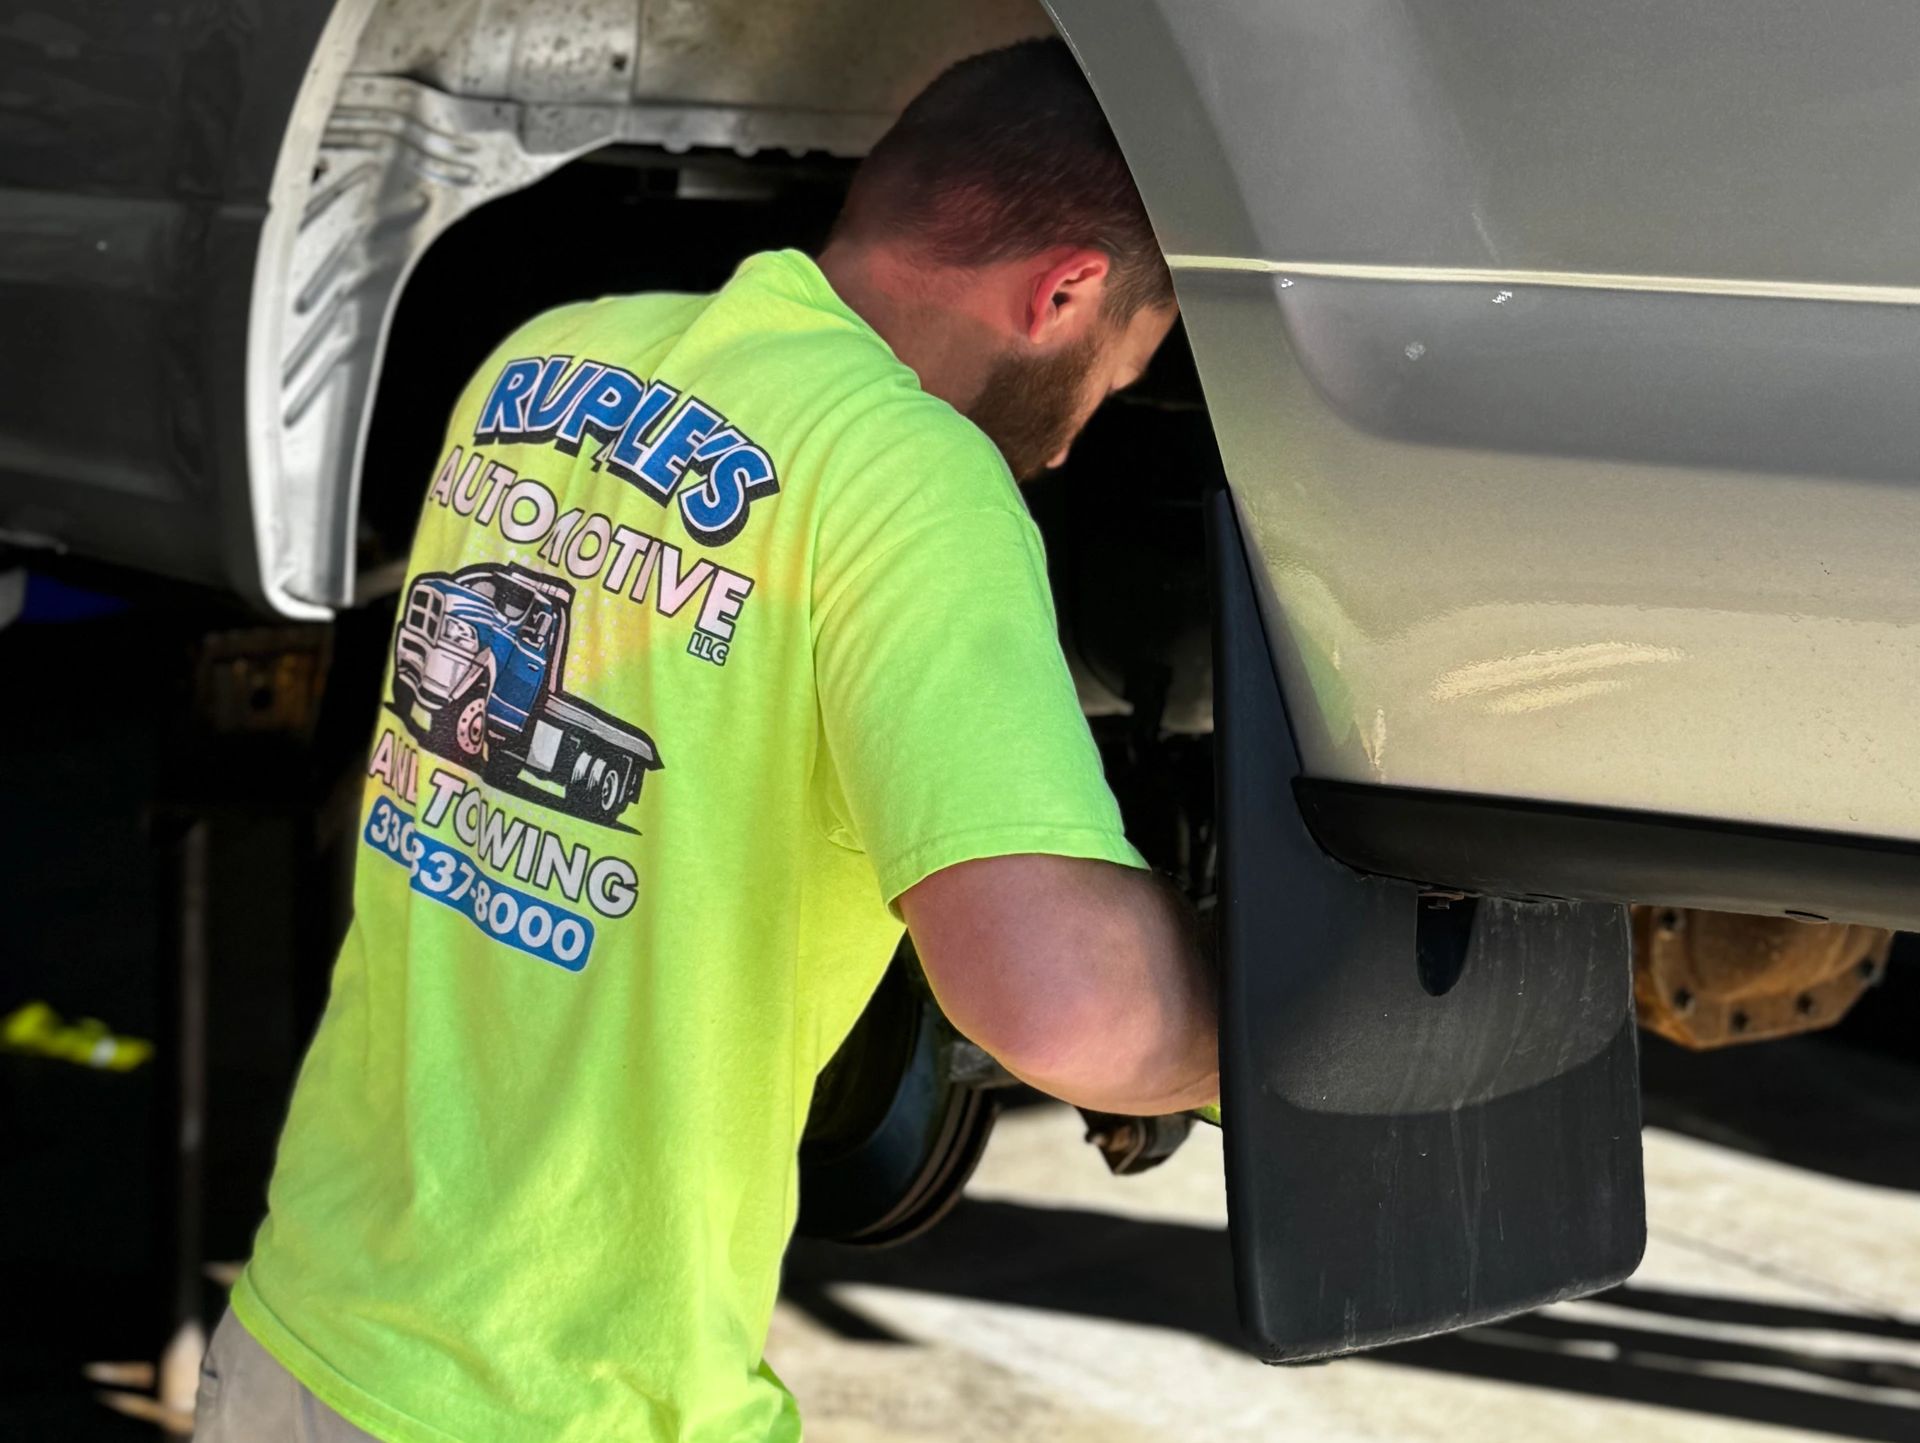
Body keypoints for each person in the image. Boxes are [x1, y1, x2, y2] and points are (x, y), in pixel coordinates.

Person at [195, 37, 1216, 1443]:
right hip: (566, 1410)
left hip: (299, 1341)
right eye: (1125, 363)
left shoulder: (544, 362)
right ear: (1068, 289)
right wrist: (1286, 1042)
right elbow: (1067, 1009)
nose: (1086, 427)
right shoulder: (916, 475)